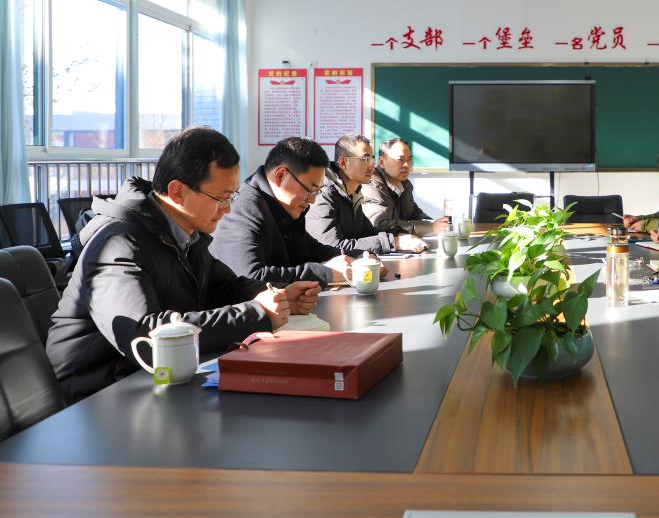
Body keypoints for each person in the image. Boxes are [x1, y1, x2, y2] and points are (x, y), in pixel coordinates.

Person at [46, 127, 316, 403]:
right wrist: (258, 313)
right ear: (178, 191)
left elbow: (224, 286)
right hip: (98, 395)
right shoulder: (118, 243)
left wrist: (277, 295)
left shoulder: (185, 232)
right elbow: (147, 335)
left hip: (156, 379)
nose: (228, 209)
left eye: (231, 197)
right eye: (222, 198)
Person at [210, 137, 352, 286]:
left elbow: (313, 251)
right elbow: (250, 276)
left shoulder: (287, 207)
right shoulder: (244, 208)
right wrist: (325, 273)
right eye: (310, 190)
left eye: (317, 192)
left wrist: (358, 259)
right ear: (280, 175)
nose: (312, 200)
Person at [307, 134, 427, 254]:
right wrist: (393, 242)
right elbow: (333, 247)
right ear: (343, 163)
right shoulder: (323, 194)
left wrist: (400, 237)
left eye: (372, 159)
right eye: (365, 159)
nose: (372, 165)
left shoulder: (353, 194)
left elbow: (368, 235)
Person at [362, 137, 449, 239]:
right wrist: (430, 228)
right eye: (400, 160)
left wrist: (437, 224)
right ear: (381, 162)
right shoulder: (371, 184)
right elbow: (382, 224)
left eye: (409, 160)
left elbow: (414, 214)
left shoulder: (405, 184)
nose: (406, 165)